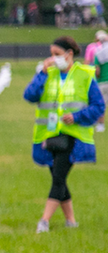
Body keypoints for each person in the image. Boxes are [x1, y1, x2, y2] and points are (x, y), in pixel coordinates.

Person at [23, 36, 103, 233]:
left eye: (57, 54)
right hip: (49, 134)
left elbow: (99, 105)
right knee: (58, 178)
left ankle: (44, 221)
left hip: (72, 136)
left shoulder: (84, 75)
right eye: (50, 54)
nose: (52, 58)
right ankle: (71, 221)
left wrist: (77, 116)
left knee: (58, 177)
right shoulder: (47, 73)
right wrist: (41, 73)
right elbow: (30, 96)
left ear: (69, 54)